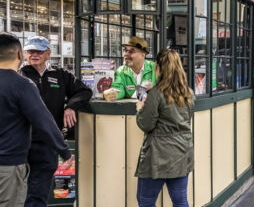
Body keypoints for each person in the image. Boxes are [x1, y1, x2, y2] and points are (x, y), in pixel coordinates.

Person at [0, 33, 72, 206]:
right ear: (20, 55)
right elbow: (43, 121)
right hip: (8, 164)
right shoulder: (21, 84)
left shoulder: (58, 75)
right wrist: (64, 151)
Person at [19, 36, 92, 206]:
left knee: (38, 193)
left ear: (48, 53)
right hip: (22, 142)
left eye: (39, 51)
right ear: (24, 53)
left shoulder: (60, 74)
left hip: (48, 143)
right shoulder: (19, 75)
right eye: (31, 51)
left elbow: (84, 91)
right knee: (18, 191)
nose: (34, 54)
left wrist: (71, 107)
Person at [135, 49, 195, 207]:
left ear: (159, 68)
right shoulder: (188, 93)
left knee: (146, 201)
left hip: (158, 155)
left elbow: (146, 124)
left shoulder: (156, 93)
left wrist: (140, 108)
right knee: (180, 200)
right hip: (182, 152)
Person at [103, 36, 156, 101]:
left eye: (131, 51)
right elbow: (118, 89)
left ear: (143, 54)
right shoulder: (121, 71)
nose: (125, 54)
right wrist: (111, 94)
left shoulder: (155, 68)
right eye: (125, 50)